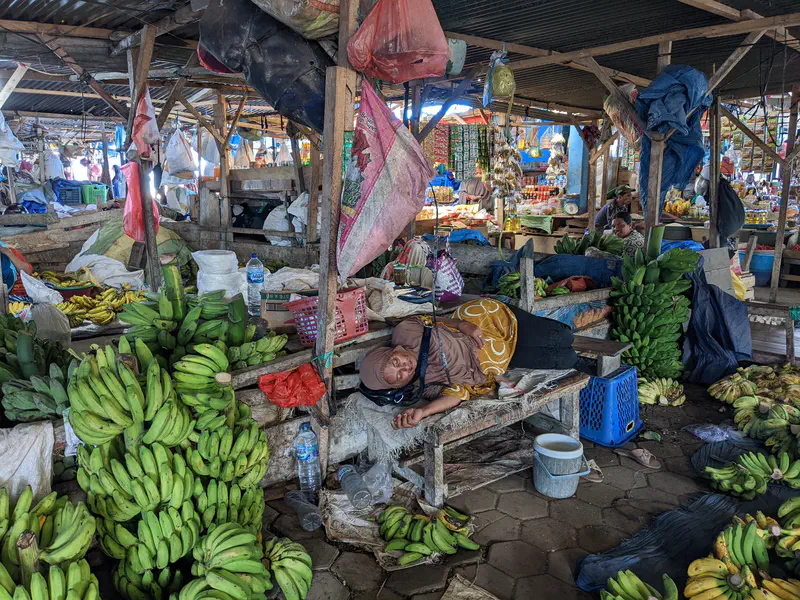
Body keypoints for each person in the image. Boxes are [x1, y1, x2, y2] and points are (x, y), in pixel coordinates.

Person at [358, 298, 577, 429]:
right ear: (399, 386)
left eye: (396, 362)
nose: (405, 368)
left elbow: (429, 319)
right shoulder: (424, 385)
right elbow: (456, 394)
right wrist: (423, 413)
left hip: (488, 323)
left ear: (394, 350)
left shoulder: (405, 331)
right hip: (498, 361)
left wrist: (461, 324)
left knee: (565, 336)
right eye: (399, 376)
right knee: (567, 359)